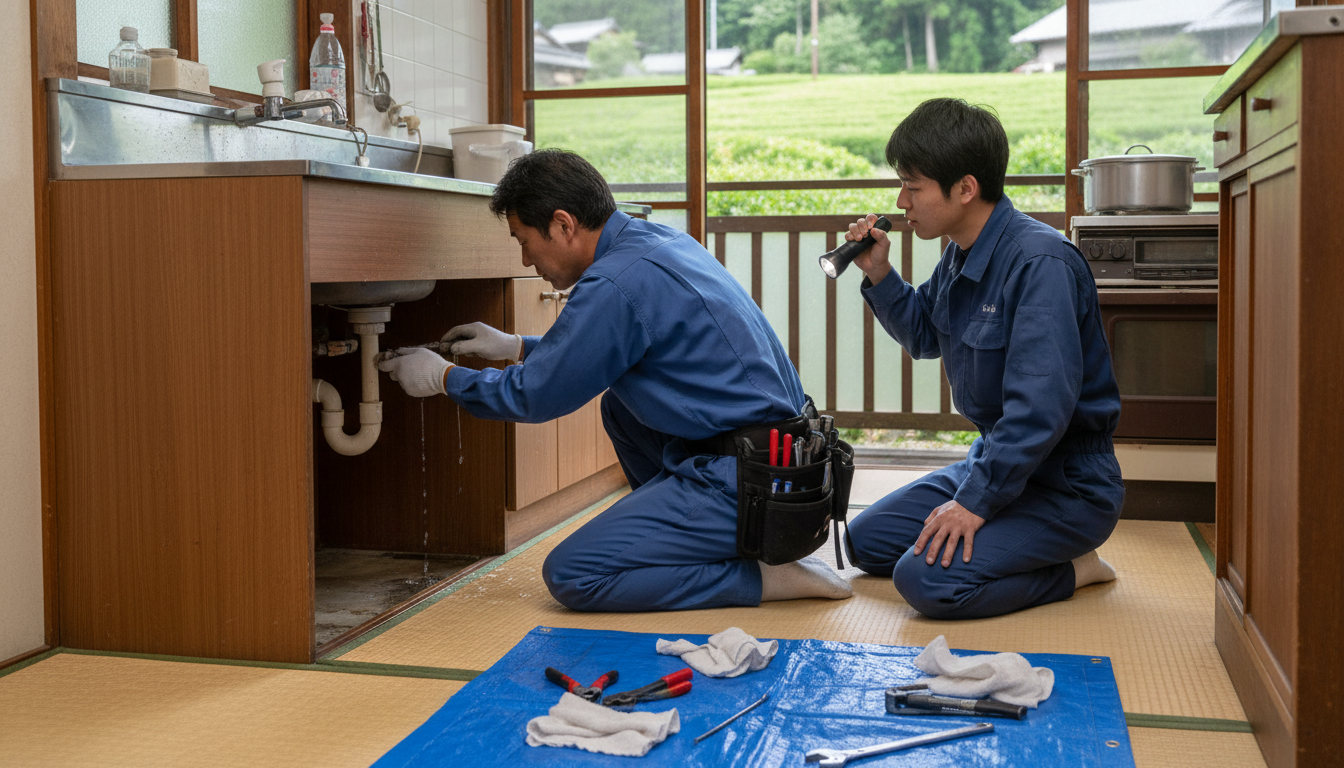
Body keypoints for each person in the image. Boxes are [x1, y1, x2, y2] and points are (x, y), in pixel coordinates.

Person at [378, 149, 852, 612]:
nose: (525, 260)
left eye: (523, 240)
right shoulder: (658, 243)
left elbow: (535, 395)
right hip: (789, 469)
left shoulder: (613, 282)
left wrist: (444, 378)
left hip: (749, 485)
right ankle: (686, 535)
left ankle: (759, 575)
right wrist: (516, 346)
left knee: (573, 574)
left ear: (563, 225)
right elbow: (611, 349)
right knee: (621, 406)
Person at [841, 98, 1125, 620]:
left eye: (912, 185)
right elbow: (925, 334)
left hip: (1065, 484)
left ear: (965, 188)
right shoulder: (959, 251)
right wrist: (878, 272)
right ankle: (998, 520)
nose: (901, 200)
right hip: (997, 462)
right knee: (865, 542)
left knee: (925, 582)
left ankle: (1077, 568)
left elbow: (1039, 410)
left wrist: (973, 503)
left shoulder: (1040, 262)